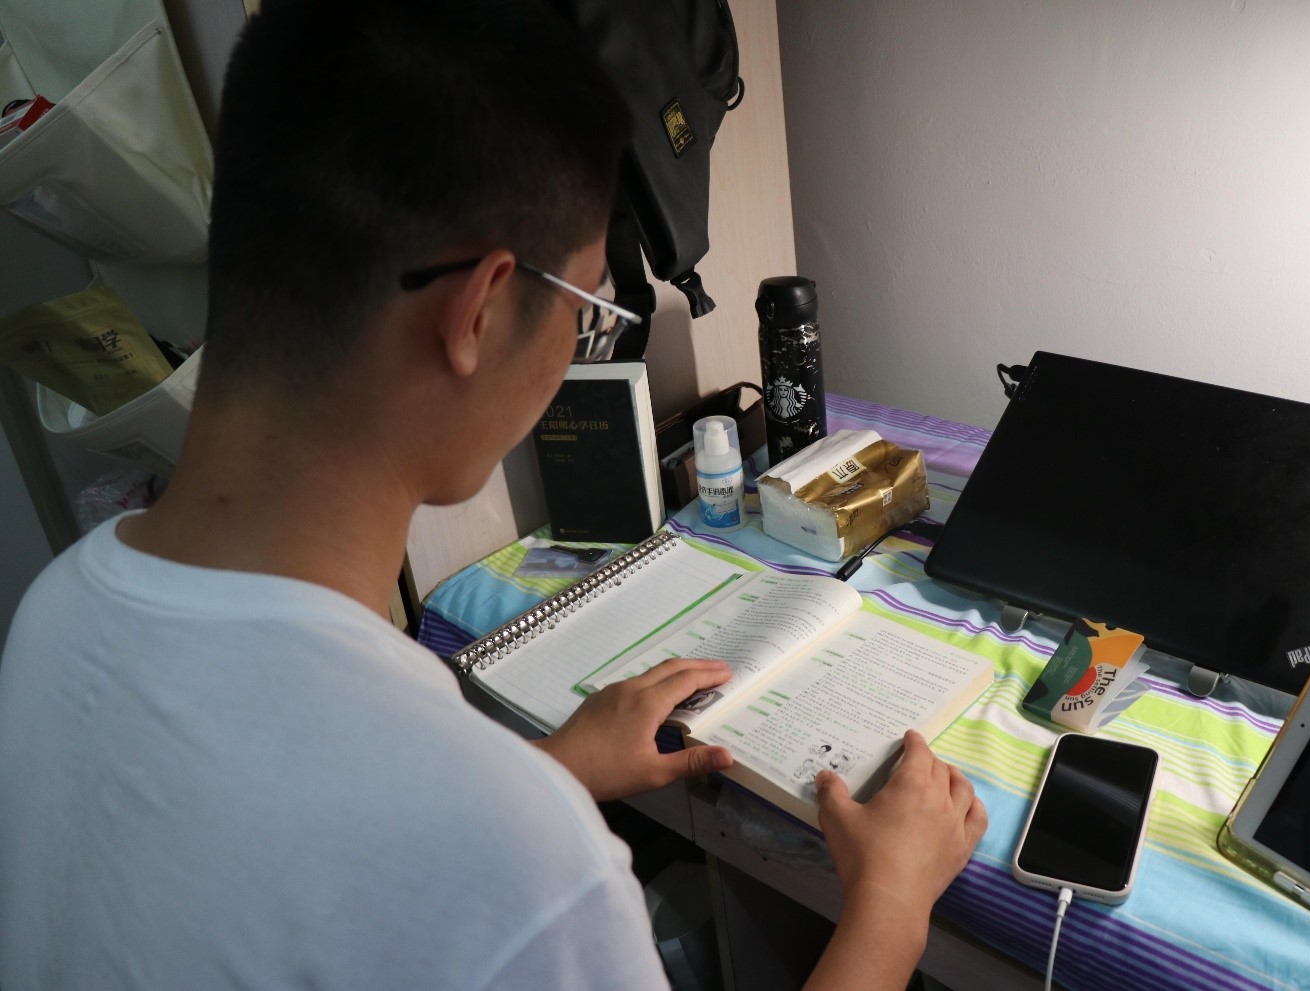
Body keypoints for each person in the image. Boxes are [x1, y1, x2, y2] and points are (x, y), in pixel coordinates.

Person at [0, 0, 986, 988]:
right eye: (591, 312)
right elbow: (443, 863)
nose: (580, 348)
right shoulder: (516, 850)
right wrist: (892, 903)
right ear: (475, 312)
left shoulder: (56, 612)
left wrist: (556, 770)